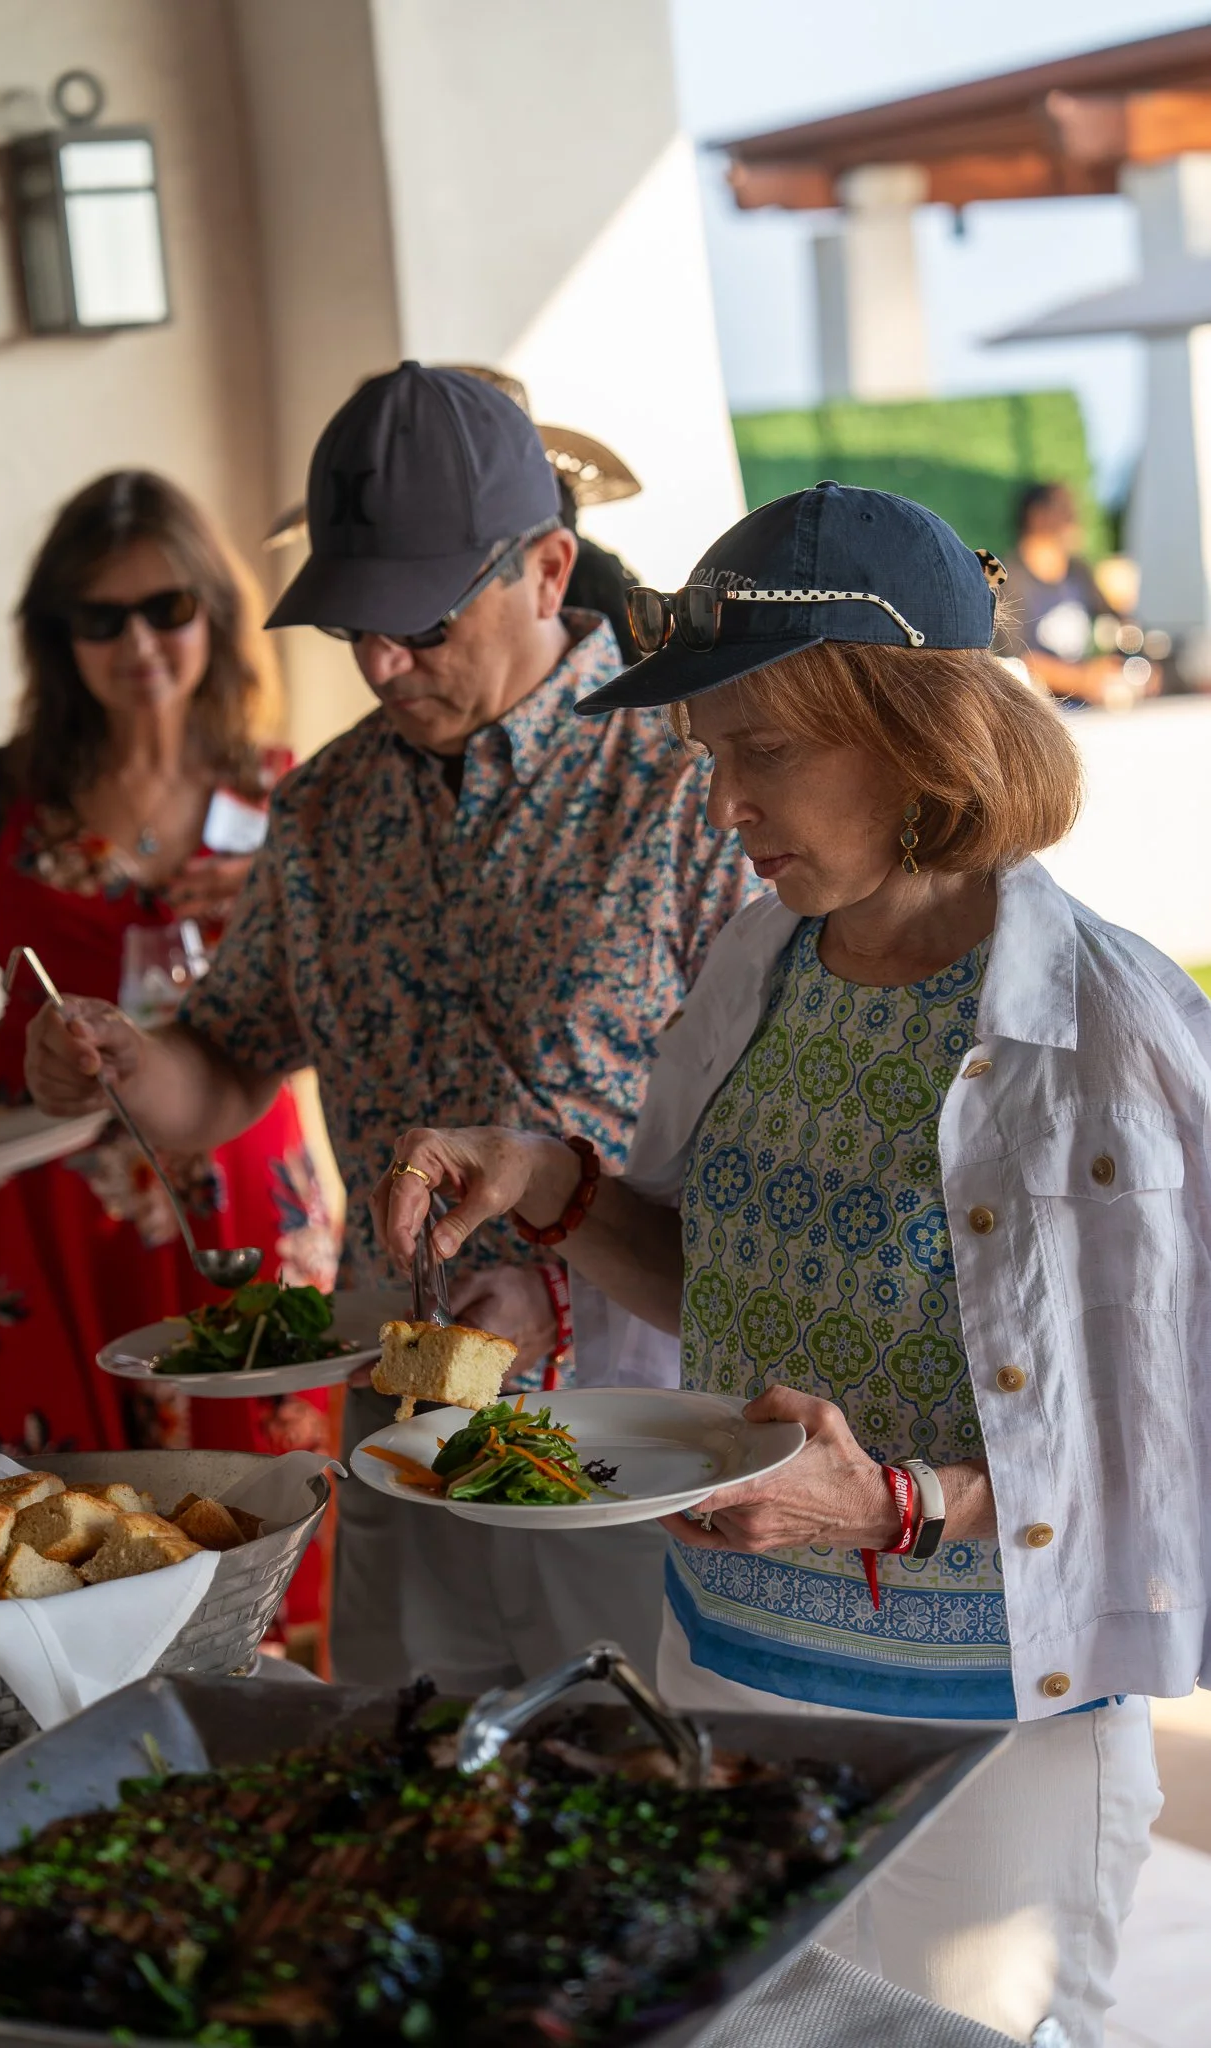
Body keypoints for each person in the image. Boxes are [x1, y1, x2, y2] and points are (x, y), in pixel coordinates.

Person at [372, 479, 1211, 2047]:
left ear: (914, 736)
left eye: (759, 753)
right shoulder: (759, 963)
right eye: (710, 758)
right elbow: (723, 1280)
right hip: (724, 1662)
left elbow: (1169, 1443)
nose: (721, 808)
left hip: (986, 1731)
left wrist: (895, 1504)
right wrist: (548, 1183)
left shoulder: (1109, 1031)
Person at [23, 364, 757, 1693]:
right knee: (398, 1769)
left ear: (547, 568)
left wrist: (559, 1294)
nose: (378, 664)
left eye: (418, 623)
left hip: (638, 1423)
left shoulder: (693, 779)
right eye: (351, 627)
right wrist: (127, 1062)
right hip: (400, 1416)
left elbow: (769, 1152)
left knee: (632, 1778)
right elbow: (225, 1062)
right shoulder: (324, 808)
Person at [0, 471, 338, 1535]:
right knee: (47, 1527)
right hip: (39, 1194)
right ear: (58, 635)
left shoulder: (285, 792)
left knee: (252, 1517)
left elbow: (337, 1007)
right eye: (101, 618)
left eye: (166, 607)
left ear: (214, 613)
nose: (137, 642)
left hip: (231, 1187)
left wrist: (277, 908)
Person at [998, 480, 1144, 708]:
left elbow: (1120, 622)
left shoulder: (1078, 571)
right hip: (1037, 712)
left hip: (1084, 709)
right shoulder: (1009, 578)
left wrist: (1133, 665)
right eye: (1064, 512)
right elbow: (1013, 661)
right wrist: (1083, 678)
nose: (1075, 522)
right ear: (1037, 516)